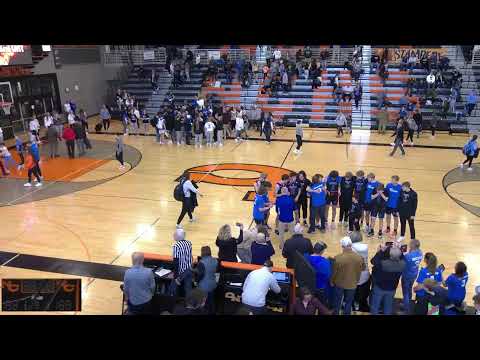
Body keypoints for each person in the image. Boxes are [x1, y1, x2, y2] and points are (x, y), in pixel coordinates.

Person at [331, 236, 366, 315]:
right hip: (352, 284)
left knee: (337, 301)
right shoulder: (359, 258)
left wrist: (331, 282)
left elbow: (334, 273)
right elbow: (363, 268)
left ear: (342, 246)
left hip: (339, 284)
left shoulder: (337, 258)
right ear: (351, 245)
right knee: (349, 302)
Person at [370, 245, 406, 315]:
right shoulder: (403, 264)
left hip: (379, 287)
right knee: (388, 307)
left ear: (390, 255)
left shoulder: (383, 264)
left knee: (375, 307)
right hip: (392, 288)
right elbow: (402, 257)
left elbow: (373, 261)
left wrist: (380, 251)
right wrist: (398, 250)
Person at [192, 246, 218, 314]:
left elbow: (200, 275)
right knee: (211, 302)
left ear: (202, 252)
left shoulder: (202, 262)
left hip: (203, 286)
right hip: (213, 284)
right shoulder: (215, 260)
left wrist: (195, 281)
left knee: (202, 304)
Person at [400, 239, 423, 314]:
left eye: (410, 244)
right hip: (414, 274)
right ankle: (407, 302)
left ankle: (406, 309)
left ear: (412, 246)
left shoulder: (408, 256)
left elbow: (401, 263)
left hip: (406, 275)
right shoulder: (420, 253)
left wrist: (402, 253)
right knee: (409, 289)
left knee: (405, 292)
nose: (409, 245)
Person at [351, 231, 371, 312]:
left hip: (354, 277)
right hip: (364, 276)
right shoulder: (365, 247)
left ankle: (354, 305)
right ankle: (363, 306)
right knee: (364, 294)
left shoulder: (350, 248)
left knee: (353, 294)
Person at [170, 228, 193, 297]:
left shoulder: (176, 246)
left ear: (177, 236)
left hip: (182, 271)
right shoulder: (189, 243)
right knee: (188, 289)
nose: (173, 235)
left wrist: (176, 276)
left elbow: (176, 262)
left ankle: (173, 303)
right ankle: (189, 305)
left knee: (172, 289)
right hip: (190, 269)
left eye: (174, 234)